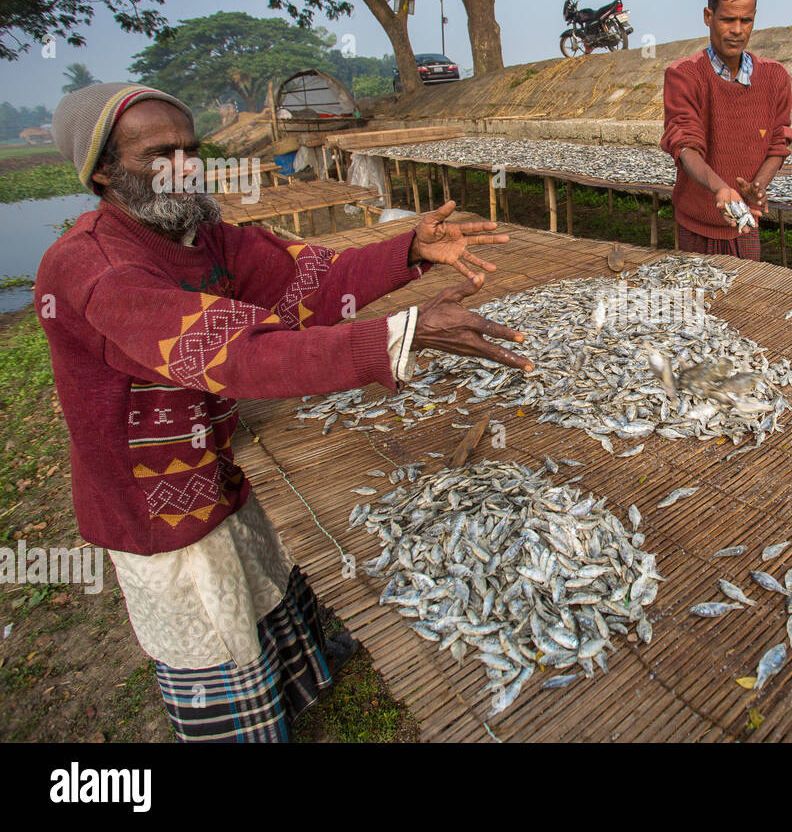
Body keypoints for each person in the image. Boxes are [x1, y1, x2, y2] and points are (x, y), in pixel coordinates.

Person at [37, 82, 534, 742]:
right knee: (211, 609)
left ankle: (296, 684)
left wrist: (406, 249)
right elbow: (238, 356)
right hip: (151, 490)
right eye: (161, 155)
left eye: (192, 149)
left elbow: (311, 284)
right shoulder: (94, 268)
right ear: (102, 170)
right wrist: (400, 334)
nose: (186, 167)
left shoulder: (202, 234)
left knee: (259, 571)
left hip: (216, 450)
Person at [660, 0, 792, 260]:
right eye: (727, 20)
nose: (737, 30)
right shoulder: (685, 75)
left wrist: (758, 186)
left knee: (745, 297)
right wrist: (720, 188)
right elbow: (684, 146)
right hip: (695, 224)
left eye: (745, 21)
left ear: (754, 18)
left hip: (745, 222)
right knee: (695, 300)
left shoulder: (775, 77)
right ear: (708, 16)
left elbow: (778, 141)